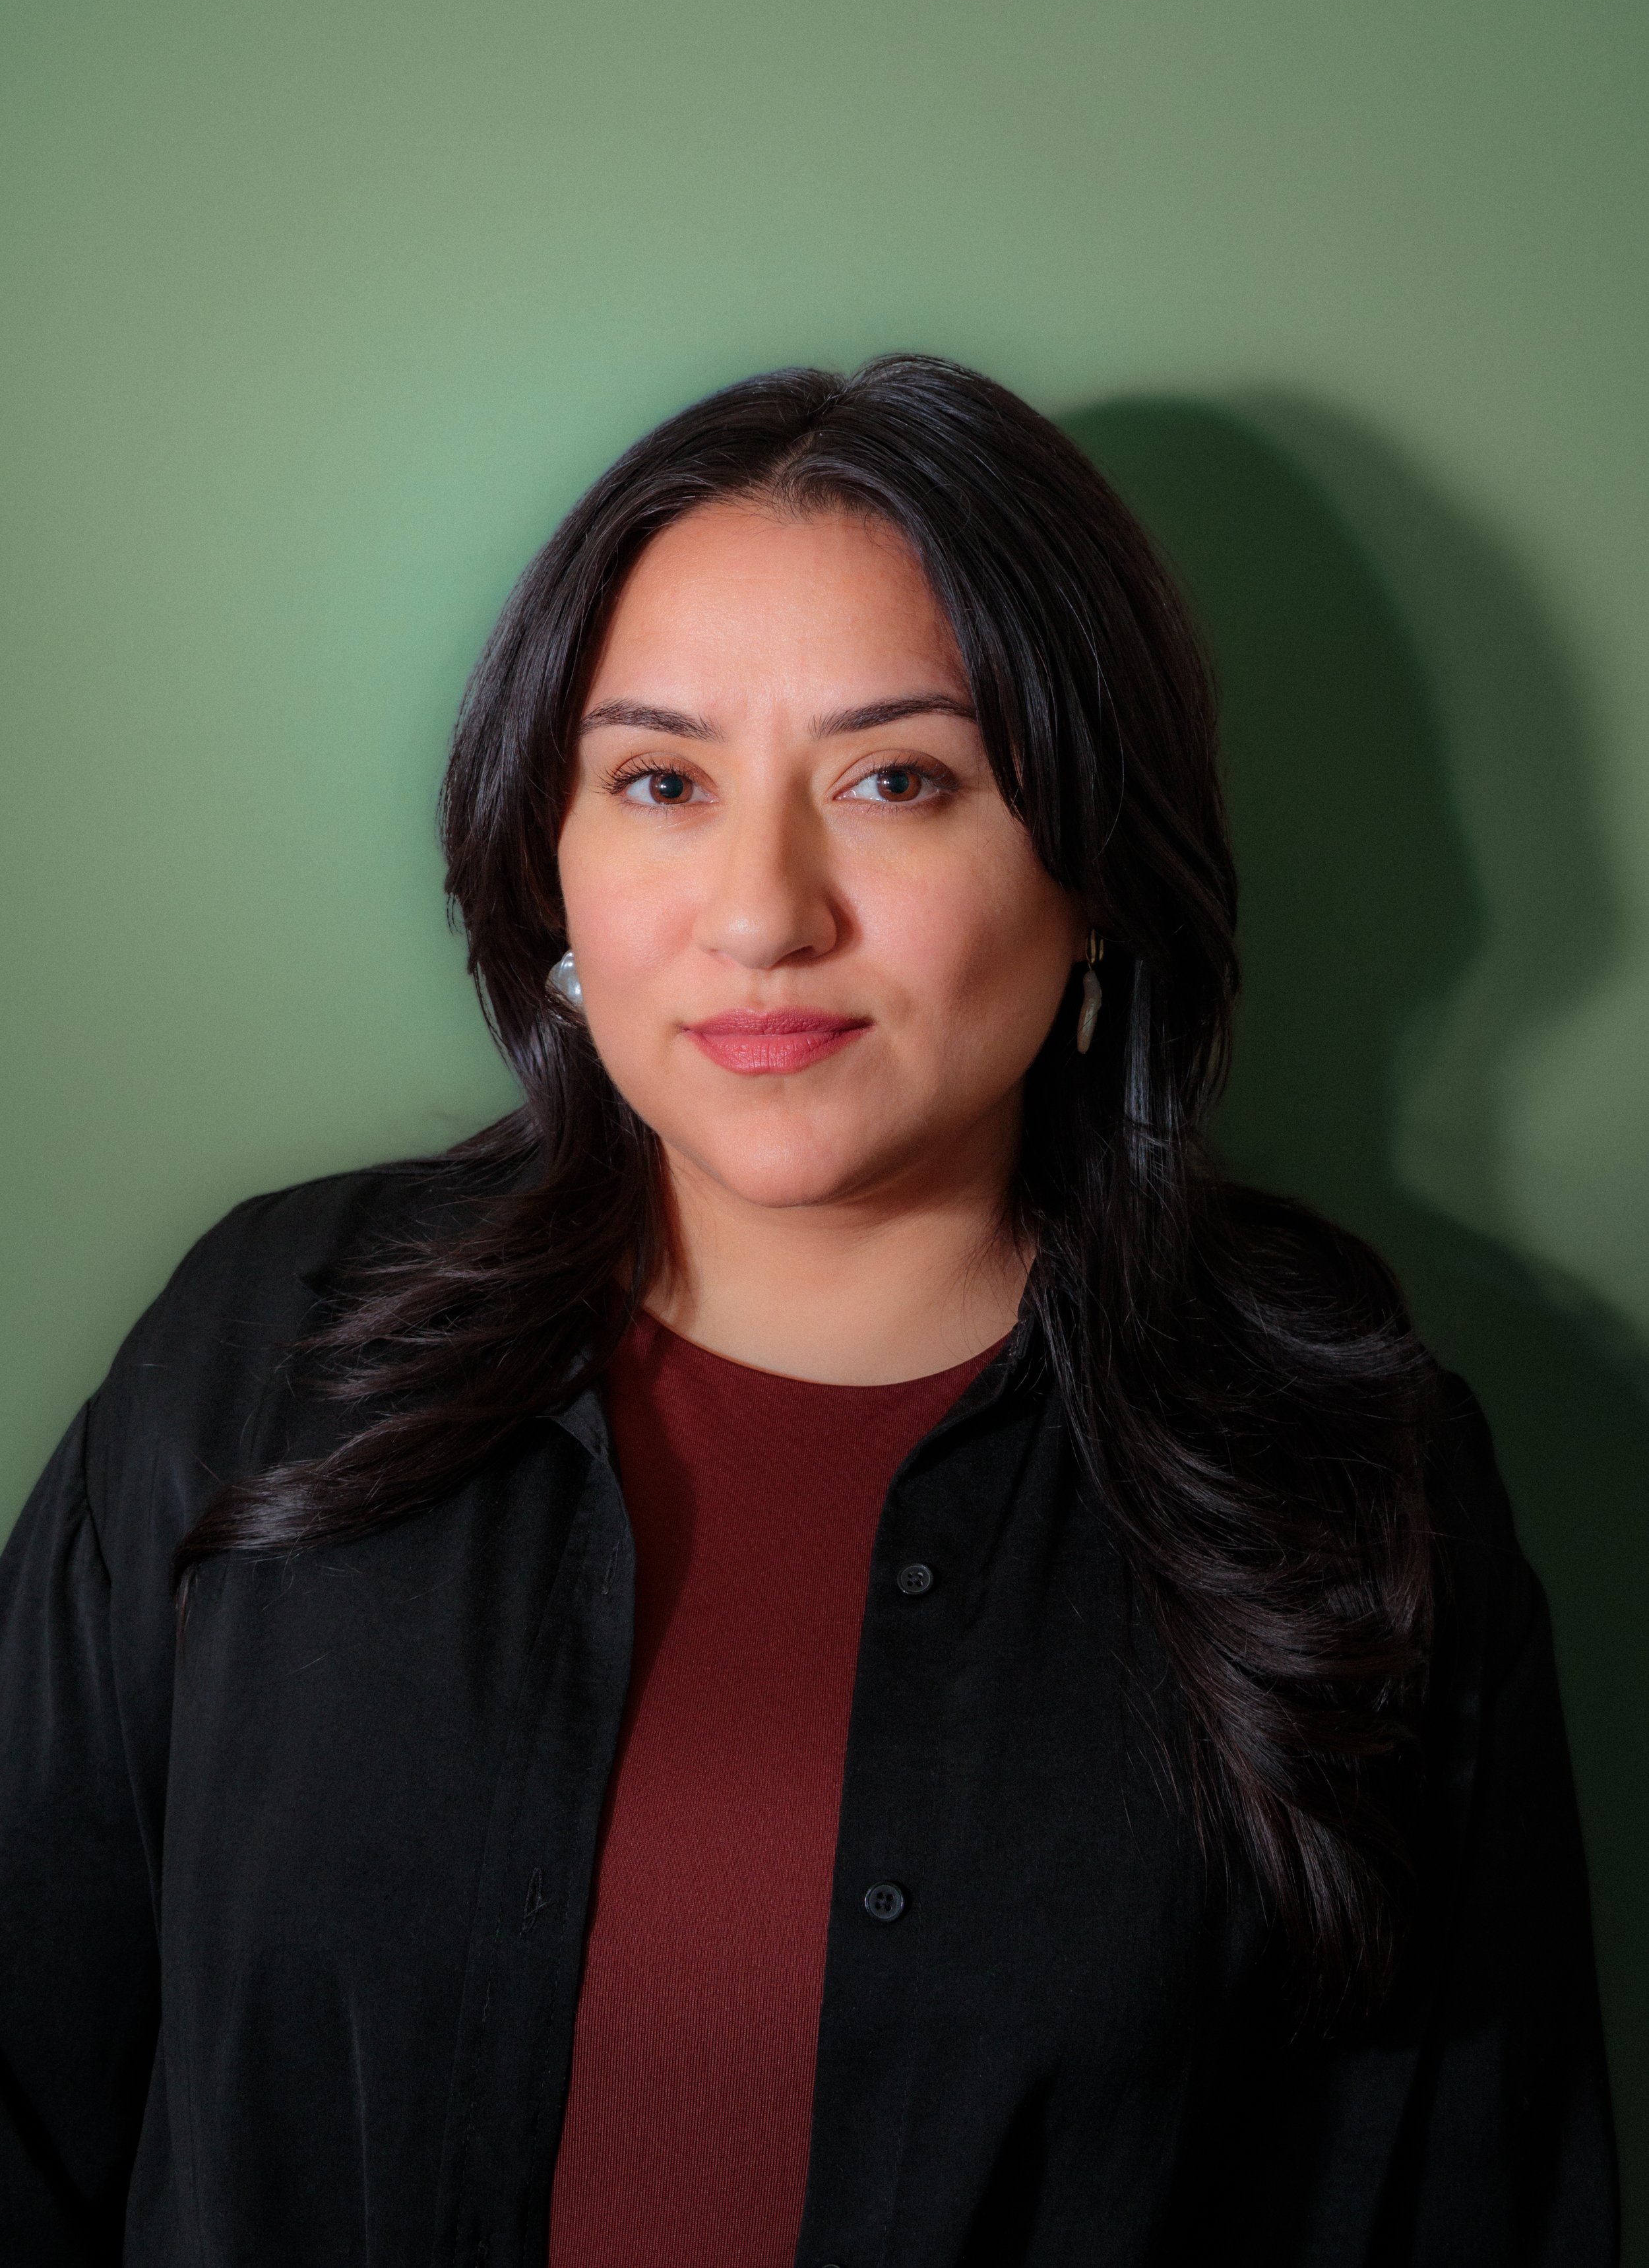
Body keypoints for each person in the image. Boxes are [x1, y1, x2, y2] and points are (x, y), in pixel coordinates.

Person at [0, 356, 1617, 2267]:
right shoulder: (265, 1348)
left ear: (1091, 865)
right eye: (661, 780)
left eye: (896, 779)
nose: (760, 912)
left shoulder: (1349, 1477)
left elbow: (1464, 2206)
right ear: (556, 869)